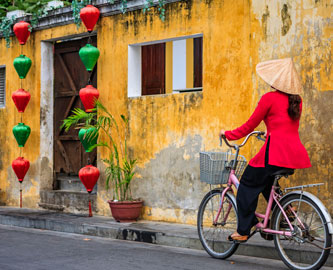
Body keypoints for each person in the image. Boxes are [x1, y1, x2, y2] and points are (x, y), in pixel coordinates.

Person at [219, 58, 311, 242]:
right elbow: (283, 124)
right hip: (293, 154)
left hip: (274, 153)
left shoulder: (269, 98)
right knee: (268, 185)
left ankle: (243, 230)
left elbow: (249, 125)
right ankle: (282, 217)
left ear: (275, 80)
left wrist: (228, 134)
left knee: (246, 184)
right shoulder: (297, 101)